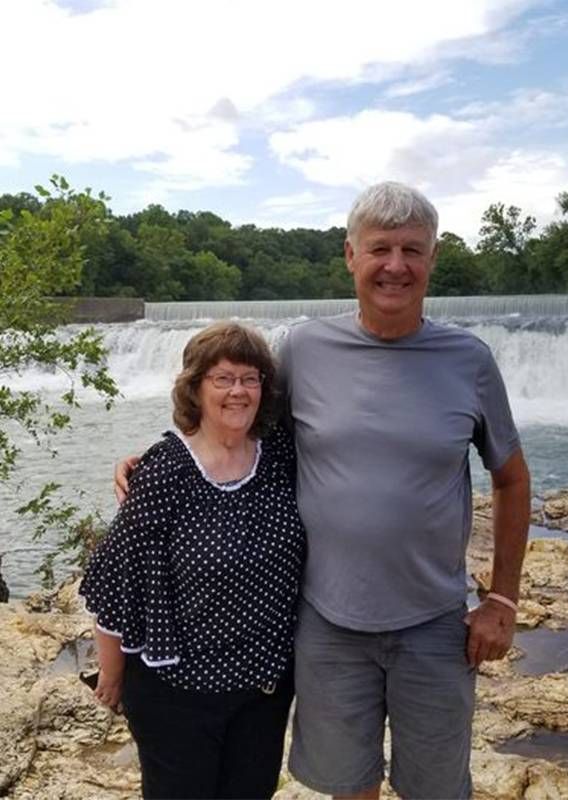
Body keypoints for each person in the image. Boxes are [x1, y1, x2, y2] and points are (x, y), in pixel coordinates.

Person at [116, 183, 530, 800]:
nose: (396, 265)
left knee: (439, 789)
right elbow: (238, 424)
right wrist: (162, 457)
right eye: (380, 248)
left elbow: (512, 477)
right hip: (327, 623)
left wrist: (501, 599)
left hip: (436, 625)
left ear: (433, 258)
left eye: (412, 250)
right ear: (350, 255)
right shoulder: (304, 350)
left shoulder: (469, 359)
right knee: (348, 786)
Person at [82, 322, 305, 800]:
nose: (238, 391)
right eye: (223, 378)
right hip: (177, 693)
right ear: (195, 387)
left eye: (250, 378)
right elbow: (117, 579)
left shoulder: (281, 456)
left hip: (262, 690)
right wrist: (112, 673)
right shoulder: (164, 472)